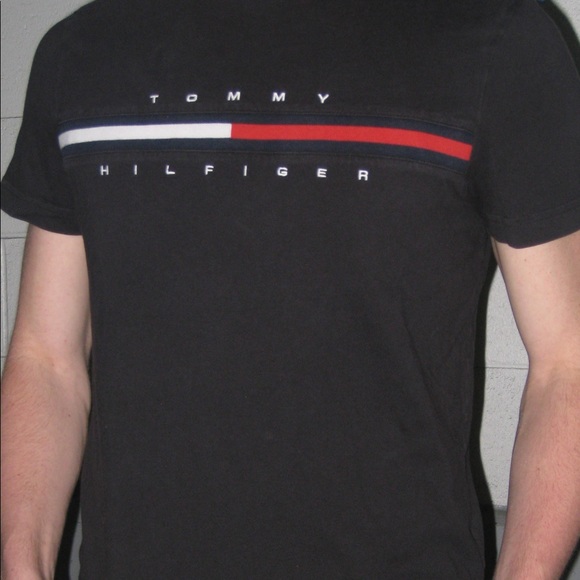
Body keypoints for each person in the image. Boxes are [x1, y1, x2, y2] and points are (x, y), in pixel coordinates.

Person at [1, 0, 579, 577]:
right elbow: (45, 358)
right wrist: (21, 563)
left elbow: (567, 365)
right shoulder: (83, 53)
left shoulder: (491, 38)